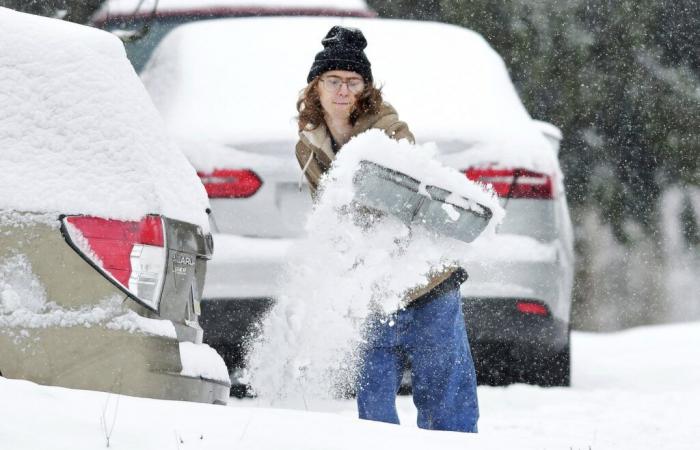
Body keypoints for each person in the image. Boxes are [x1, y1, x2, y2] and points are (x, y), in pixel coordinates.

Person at [295, 25, 479, 433]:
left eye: (353, 81)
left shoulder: (390, 132)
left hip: (426, 278)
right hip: (372, 286)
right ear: (316, 87)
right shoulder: (308, 145)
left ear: (366, 88)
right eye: (333, 81)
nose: (343, 91)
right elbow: (328, 212)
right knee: (374, 397)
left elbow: (408, 205)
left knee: (444, 393)